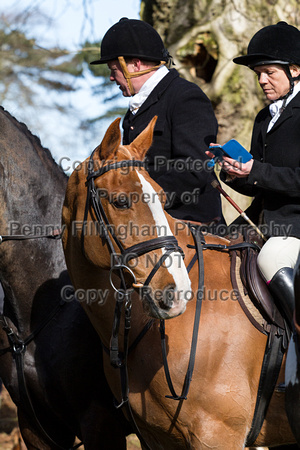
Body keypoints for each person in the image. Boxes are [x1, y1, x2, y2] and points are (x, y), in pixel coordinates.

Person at [90, 17, 225, 230]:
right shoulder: (135, 111)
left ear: (134, 64)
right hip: (148, 225)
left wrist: (142, 198)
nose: (111, 77)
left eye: (113, 69)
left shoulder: (185, 97)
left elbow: (195, 167)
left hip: (191, 225)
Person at [207, 21, 300, 328]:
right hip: (261, 219)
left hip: (294, 224)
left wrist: (255, 171)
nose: (261, 80)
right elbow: (258, 180)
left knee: (271, 259)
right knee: (211, 250)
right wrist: (236, 174)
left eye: (269, 72)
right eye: (258, 73)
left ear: (295, 70)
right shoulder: (264, 117)